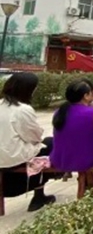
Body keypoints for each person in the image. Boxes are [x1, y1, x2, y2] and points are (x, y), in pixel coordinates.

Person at [0, 73, 57, 211]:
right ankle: (39, 195)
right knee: (50, 144)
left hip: (3, 156)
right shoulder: (22, 110)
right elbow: (34, 136)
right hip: (13, 158)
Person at [50, 80, 93, 190]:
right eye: (92, 92)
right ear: (86, 96)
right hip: (87, 158)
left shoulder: (59, 112)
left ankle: (89, 188)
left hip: (61, 158)